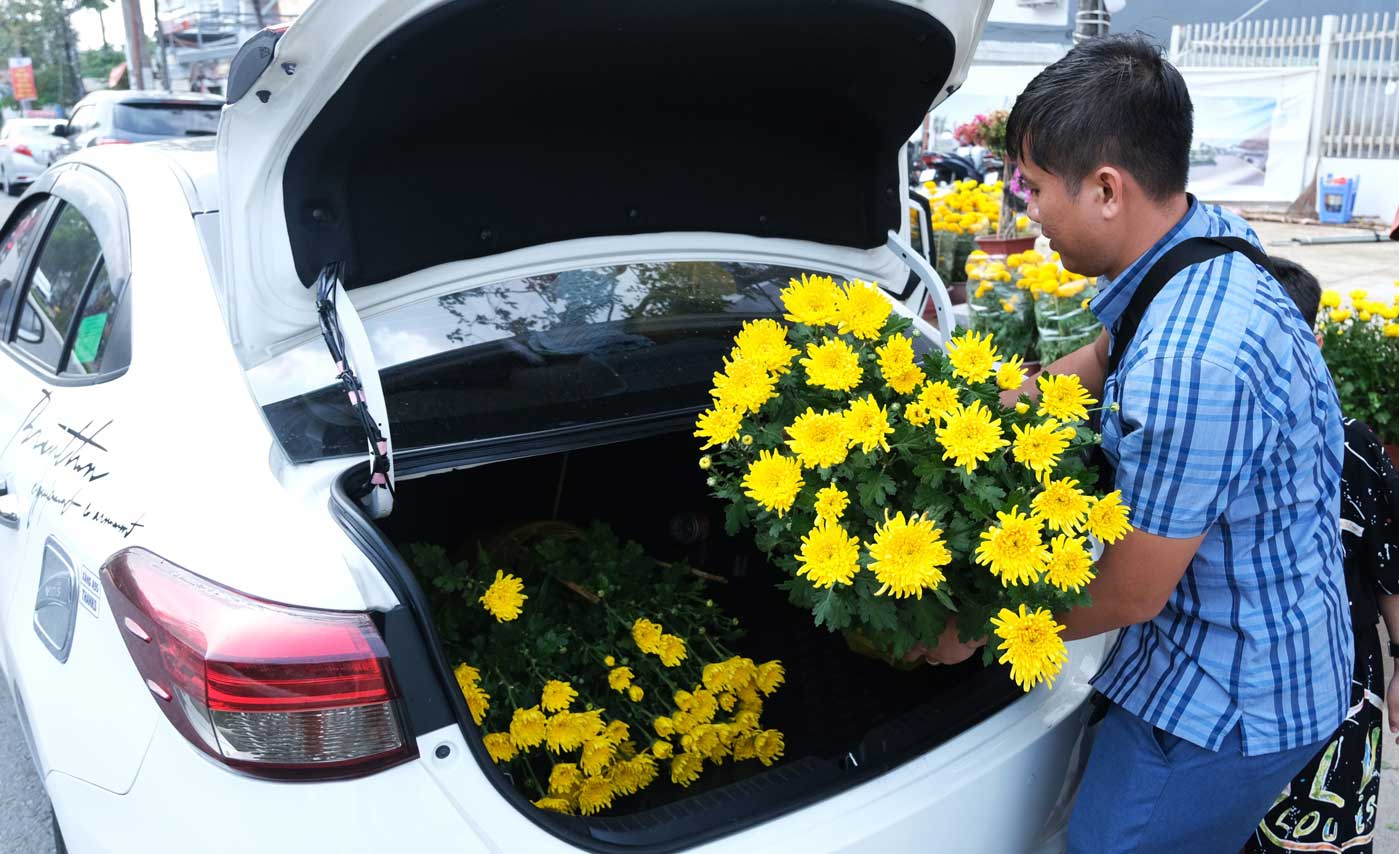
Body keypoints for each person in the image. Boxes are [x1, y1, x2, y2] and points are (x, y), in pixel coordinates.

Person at [924, 35, 1353, 852]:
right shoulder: (1195, 243)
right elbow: (1099, 356)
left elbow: (1129, 593)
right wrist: (981, 413)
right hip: (1276, 635)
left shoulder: (1190, 362)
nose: (1027, 212)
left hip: (1230, 697)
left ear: (1108, 190)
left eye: (1036, 187)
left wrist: (970, 627)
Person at [1244, 259, 1399, 854]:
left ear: (1314, 342)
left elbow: (1387, 560)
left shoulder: (1354, 446)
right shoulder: (1218, 434)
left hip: (1344, 681)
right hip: (1253, 683)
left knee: (1319, 829)